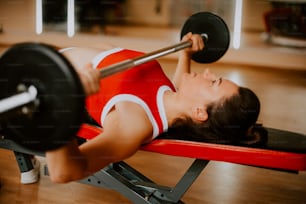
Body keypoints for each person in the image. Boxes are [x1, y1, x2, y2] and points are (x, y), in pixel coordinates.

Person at [46, 33, 267, 183]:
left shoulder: (133, 124)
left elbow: (63, 172)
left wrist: (66, 102)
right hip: (51, 52)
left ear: (199, 112)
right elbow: (176, 87)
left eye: (214, 82)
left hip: (39, 76)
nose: (209, 73)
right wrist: (185, 54)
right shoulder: (169, 96)